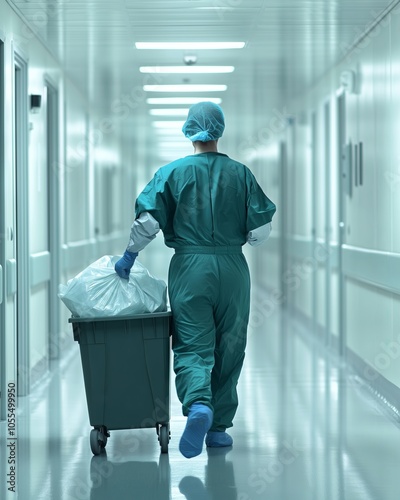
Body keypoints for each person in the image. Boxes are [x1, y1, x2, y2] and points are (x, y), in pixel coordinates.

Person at [115, 102, 276, 458]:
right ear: (220, 131)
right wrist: (237, 239)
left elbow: (148, 224)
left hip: (190, 269)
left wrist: (129, 256)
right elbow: (261, 230)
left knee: (192, 343)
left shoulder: (172, 173)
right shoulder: (242, 174)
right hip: (233, 269)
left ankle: (199, 405)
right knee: (230, 345)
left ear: (190, 132)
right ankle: (218, 429)